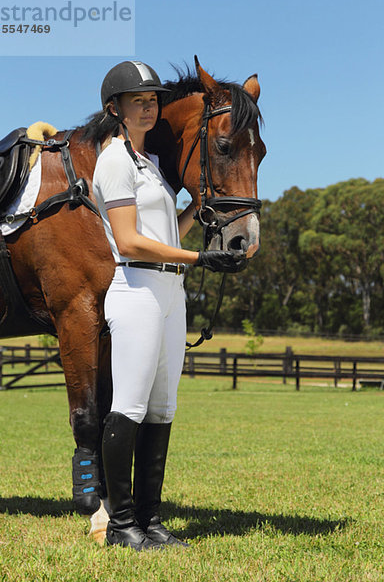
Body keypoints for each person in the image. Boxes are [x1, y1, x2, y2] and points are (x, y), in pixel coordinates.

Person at [93, 60, 245, 551]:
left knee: (162, 408)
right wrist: (200, 256)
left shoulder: (152, 167)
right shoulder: (114, 159)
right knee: (129, 407)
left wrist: (198, 221)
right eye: (138, 100)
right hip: (136, 289)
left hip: (170, 292)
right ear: (115, 108)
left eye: (153, 100)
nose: (149, 107)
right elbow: (130, 240)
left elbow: (165, 233)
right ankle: (121, 525)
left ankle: (151, 521)